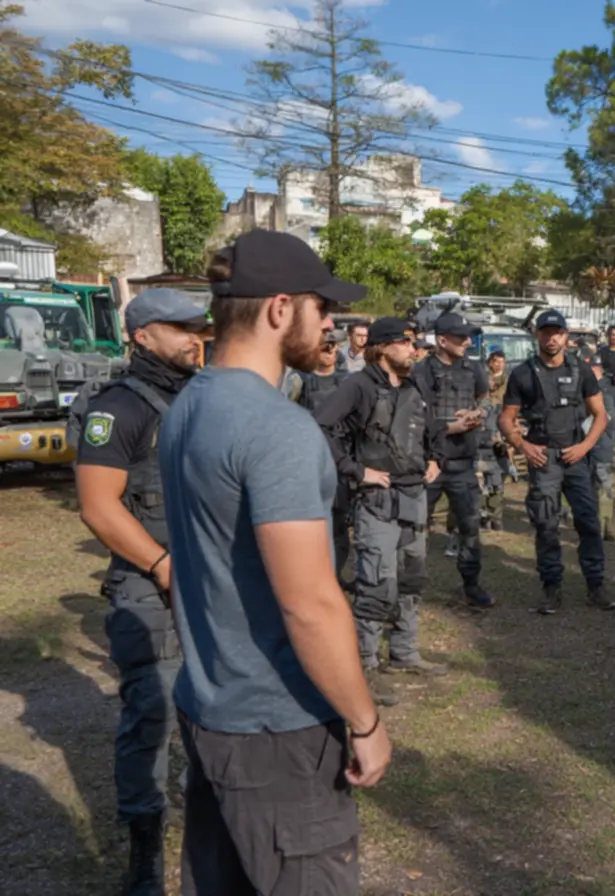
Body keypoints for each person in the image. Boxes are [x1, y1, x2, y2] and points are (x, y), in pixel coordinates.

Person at [160, 230, 390, 895]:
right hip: (275, 726)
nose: (333, 323)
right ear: (279, 308)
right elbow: (309, 603)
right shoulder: (276, 427)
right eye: (323, 308)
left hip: (209, 707)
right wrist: (366, 722)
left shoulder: (189, 405)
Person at [75, 288, 209, 895]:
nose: (193, 335)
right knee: (151, 714)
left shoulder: (206, 398)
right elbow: (98, 508)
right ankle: (145, 857)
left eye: (196, 325)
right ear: (141, 336)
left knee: (213, 711)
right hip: (149, 584)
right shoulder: (118, 409)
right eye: (178, 326)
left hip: (212, 586)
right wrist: (161, 565)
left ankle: (214, 834)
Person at [316, 317, 451, 707]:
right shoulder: (357, 386)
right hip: (376, 503)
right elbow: (320, 426)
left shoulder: (413, 385)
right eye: (407, 343)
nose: (415, 349)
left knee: (412, 579)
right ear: (383, 347)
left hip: (414, 497)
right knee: (377, 583)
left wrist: (437, 458)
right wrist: (356, 470)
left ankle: (404, 653)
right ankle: (363, 666)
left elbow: (433, 429)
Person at [499, 309, 615, 614]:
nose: (552, 338)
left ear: (566, 336)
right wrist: (522, 445)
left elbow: (601, 414)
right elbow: (506, 418)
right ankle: (551, 589)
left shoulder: (582, 370)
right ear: (538, 335)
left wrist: (585, 446)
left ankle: (596, 587)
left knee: (589, 522)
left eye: (558, 333)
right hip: (543, 460)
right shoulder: (523, 373)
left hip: (576, 458)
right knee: (546, 525)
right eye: (546, 332)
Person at [412, 311, 497, 607]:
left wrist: (479, 413)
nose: (467, 341)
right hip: (429, 464)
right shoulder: (420, 371)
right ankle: (411, 586)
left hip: (463, 462)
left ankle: (471, 584)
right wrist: (450, 427)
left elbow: (486, 398)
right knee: (416, 526)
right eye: (461, 337)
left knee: (470, 526)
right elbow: (414, 416)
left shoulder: (473, 369)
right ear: (442, 340)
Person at [299, 329, 355, 580]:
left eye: (333, 346)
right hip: (309, 461)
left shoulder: (348, 382)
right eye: (324, 346)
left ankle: (333, 576)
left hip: (340, 460)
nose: (329, 351)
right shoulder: (299, 381)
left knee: (339, 524)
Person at [582, 348, 615, 540]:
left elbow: (604, 419)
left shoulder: (602, 393)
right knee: (591, 490)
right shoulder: (588, 390)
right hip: (588, 451)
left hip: (600, 450)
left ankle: (607, 528)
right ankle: (598, 526)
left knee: (604, 489)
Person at [479, 350, 511, 530]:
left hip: (500, 432)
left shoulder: (509, 383)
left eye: (502, 362)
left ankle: (495, 515)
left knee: (499, 475)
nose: (499, 365)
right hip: (483, 433)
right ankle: (484, 514)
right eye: (496, 361)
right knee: (482, 478)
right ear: (490, 362)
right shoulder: (482, 380)